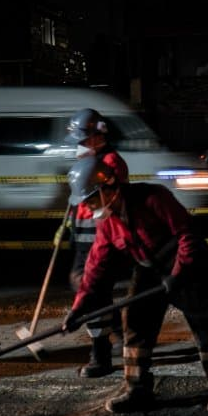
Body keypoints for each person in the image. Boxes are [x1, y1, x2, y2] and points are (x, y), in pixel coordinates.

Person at [62, 156, 208, 415]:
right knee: (135, 321)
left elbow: (187, 235)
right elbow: (95, 269)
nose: (89, 209)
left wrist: (179, 274)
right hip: (149, 268)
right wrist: (78, 309)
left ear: (107, 189)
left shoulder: (153, 197)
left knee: (206, 323)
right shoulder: (107, 223)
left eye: (91, 200)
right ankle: (137, 389)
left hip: (187, 264)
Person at [54, 108, 129, 378]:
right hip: (83, 238)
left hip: (102, 238)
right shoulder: (88, 161)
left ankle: (101, 355)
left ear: (99, 135)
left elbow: (105, 202)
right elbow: (77, 199)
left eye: (84, 140)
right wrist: (65, 226)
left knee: (93, 293)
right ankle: (117, 336)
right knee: (90, 291)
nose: (79, 145)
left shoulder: (110, 163)